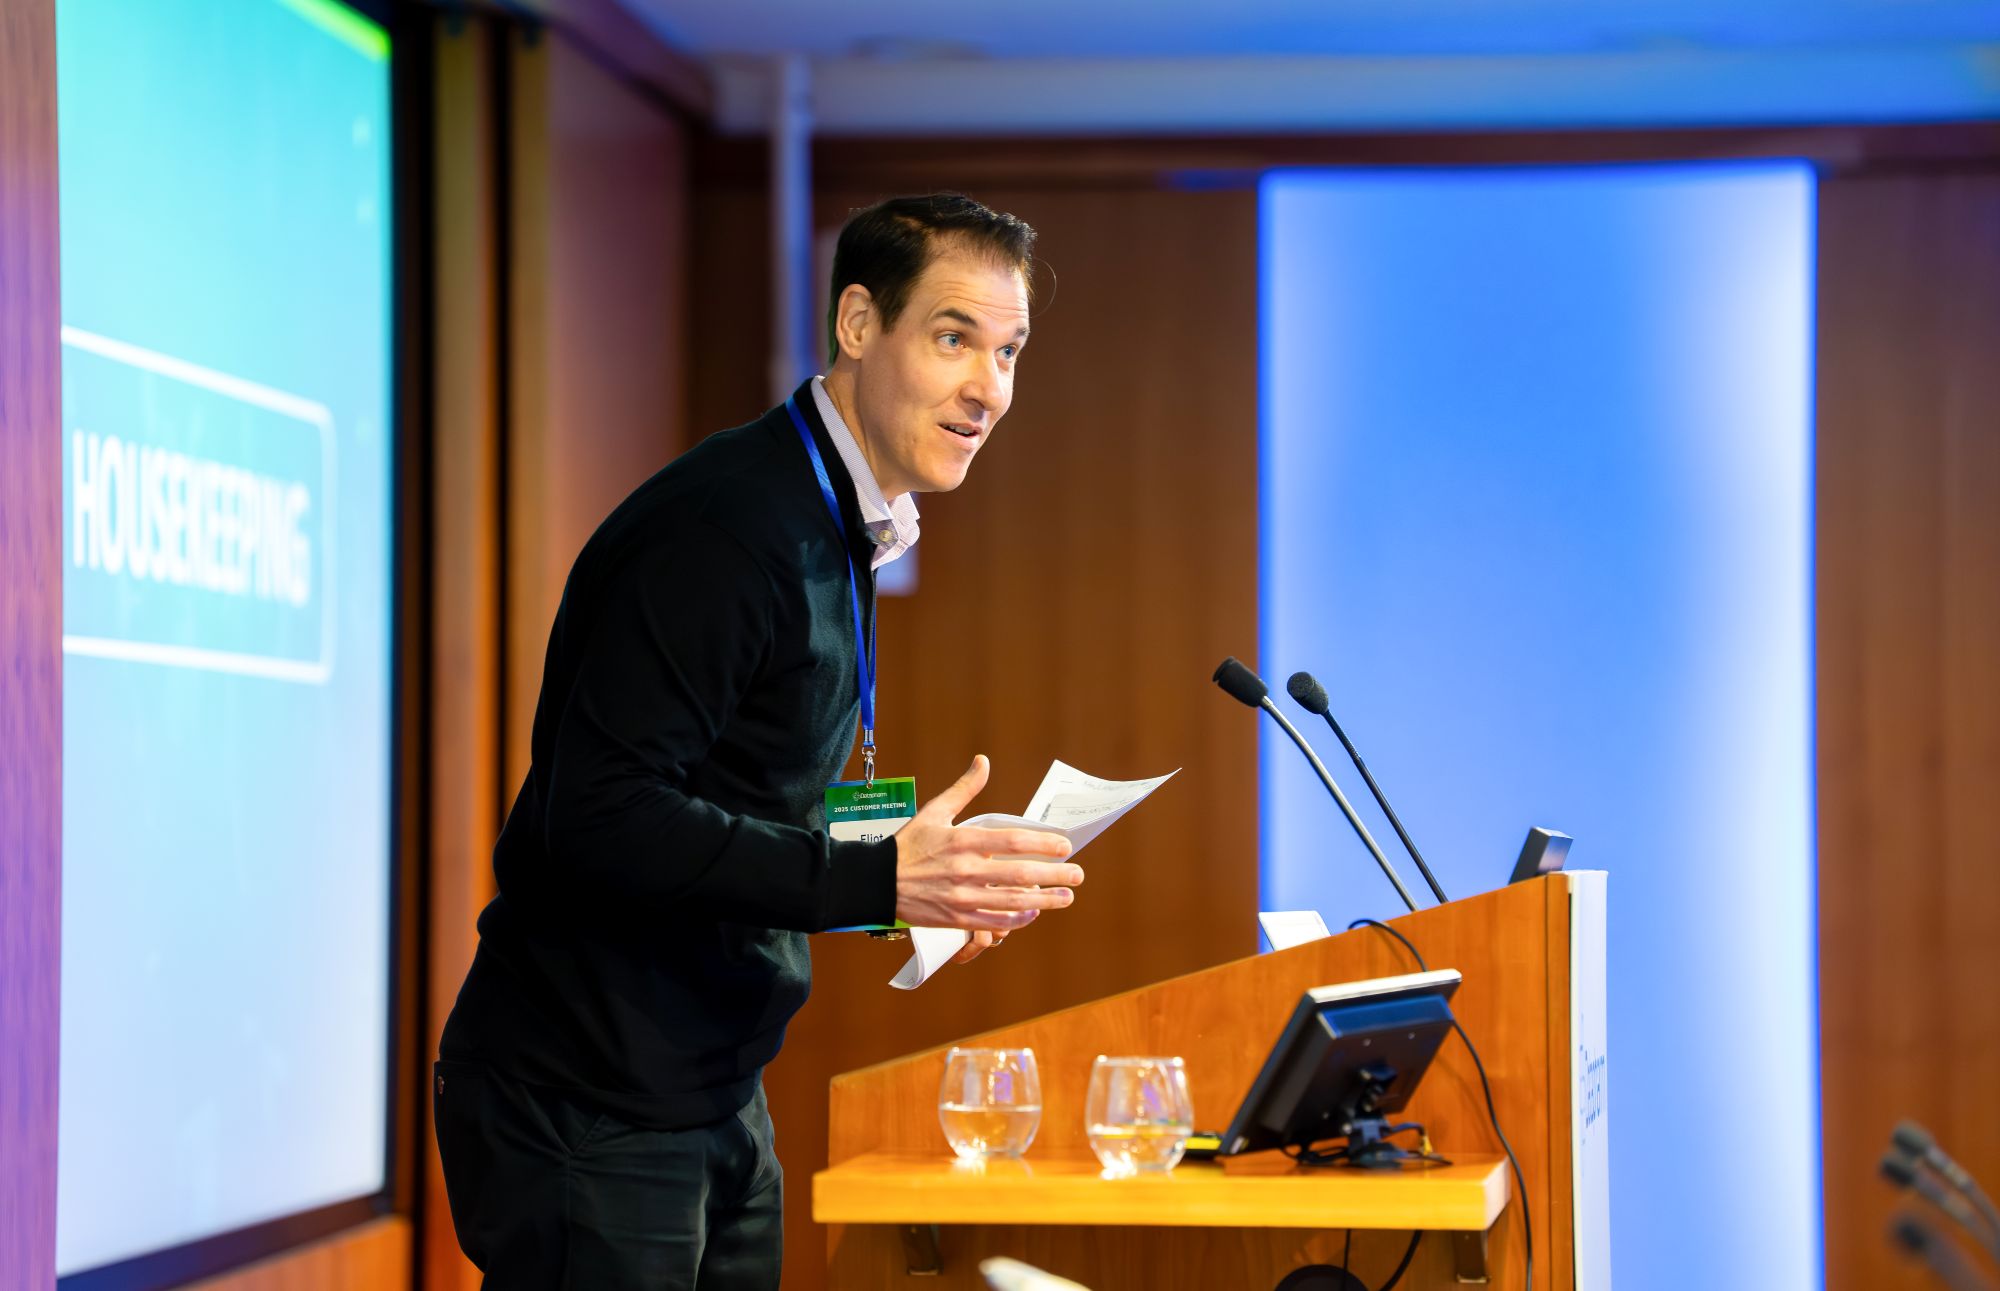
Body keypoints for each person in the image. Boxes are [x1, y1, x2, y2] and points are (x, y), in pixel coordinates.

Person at [434, 193, 1084, 1290]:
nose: (989, 386)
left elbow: (737, 794)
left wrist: (914, 884)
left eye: (1009, 350)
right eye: (953, 338)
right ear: (858, 324)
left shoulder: (837, 517)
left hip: (714, 1088)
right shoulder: (730, 525)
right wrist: (875, 878)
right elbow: (601, 814)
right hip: (587, 1094)